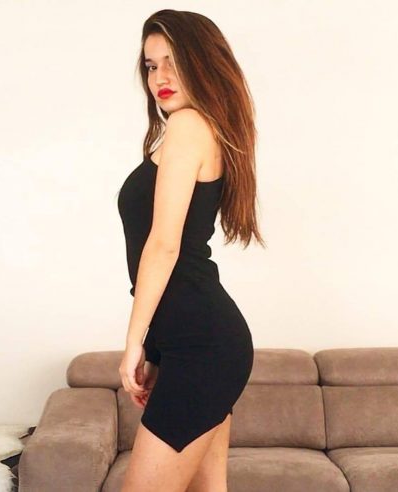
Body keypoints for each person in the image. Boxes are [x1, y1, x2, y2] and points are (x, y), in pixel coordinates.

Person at [117, 9, 266, 492]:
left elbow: (165, 246)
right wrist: (157, 347)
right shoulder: (203, 127)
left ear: (202, 62)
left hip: (202, 344)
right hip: (196, 341)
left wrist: (133, 343)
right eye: (151, 65)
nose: (160, 77)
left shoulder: (188, 125)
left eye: (173, 62)